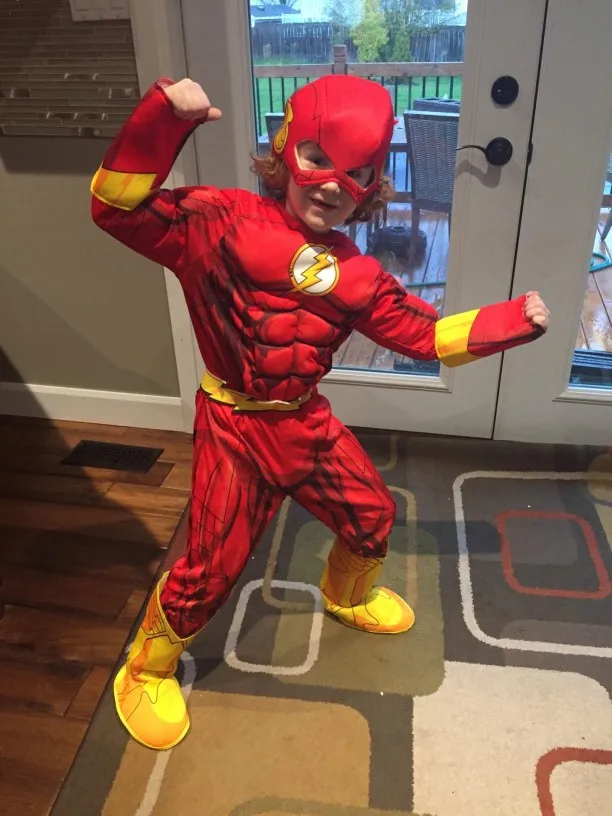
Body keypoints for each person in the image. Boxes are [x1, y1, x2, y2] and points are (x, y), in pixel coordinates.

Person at [90, 74, 550, 752]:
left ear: (372, 184)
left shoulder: (357, 272)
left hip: (303, 421)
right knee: (211, 567)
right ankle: (146, 668)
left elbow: (425, 335)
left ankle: (347, 596)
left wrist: (513, 322)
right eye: (317, 159)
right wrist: (163, 119)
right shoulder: (216, 222)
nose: (334, 184)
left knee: (371, 517)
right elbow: (115, 210)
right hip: (235, 426)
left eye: (356, 173)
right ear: (285, 151)